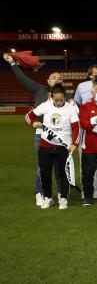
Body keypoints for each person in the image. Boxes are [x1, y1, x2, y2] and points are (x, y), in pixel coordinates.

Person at [4, 53, 65, 205]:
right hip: (41, 135)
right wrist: (12, 63)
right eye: (53, 77)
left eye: (59, 78)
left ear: (63, 82)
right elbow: (23, 79)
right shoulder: (40, 90)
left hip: (60, 137)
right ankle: (40, 193)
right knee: (41, 166)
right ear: (48, 80)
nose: (56, 79)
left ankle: (60, 194)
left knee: (59, 166)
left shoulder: (67, 96)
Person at [25, 85, 80, 210]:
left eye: (61, 100)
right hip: (45, 145)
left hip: (63, 147)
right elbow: (29, 115)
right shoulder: (46, 105)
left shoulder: (70, 109)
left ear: (64, 97)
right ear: (51, 97)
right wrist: (33, 123)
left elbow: (77, 127)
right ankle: (48, 198)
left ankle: (64, 198)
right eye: (56, 100)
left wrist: (74, 144)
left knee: (62, 173)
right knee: (45, 173)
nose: (59, 102)